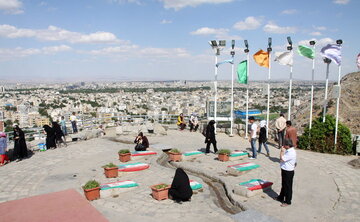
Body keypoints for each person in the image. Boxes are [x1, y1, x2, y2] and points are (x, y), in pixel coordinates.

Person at [275, 138, 297, 207]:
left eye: (284, 145)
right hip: (285, 169)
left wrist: (281, 151)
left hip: (288, 171)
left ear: (288, 145)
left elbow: (281, 159)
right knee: (284, 185)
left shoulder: (291, 152)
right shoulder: (289, 150)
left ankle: (288, 201)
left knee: (288, 187)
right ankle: (281, 197)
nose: (283, 146)